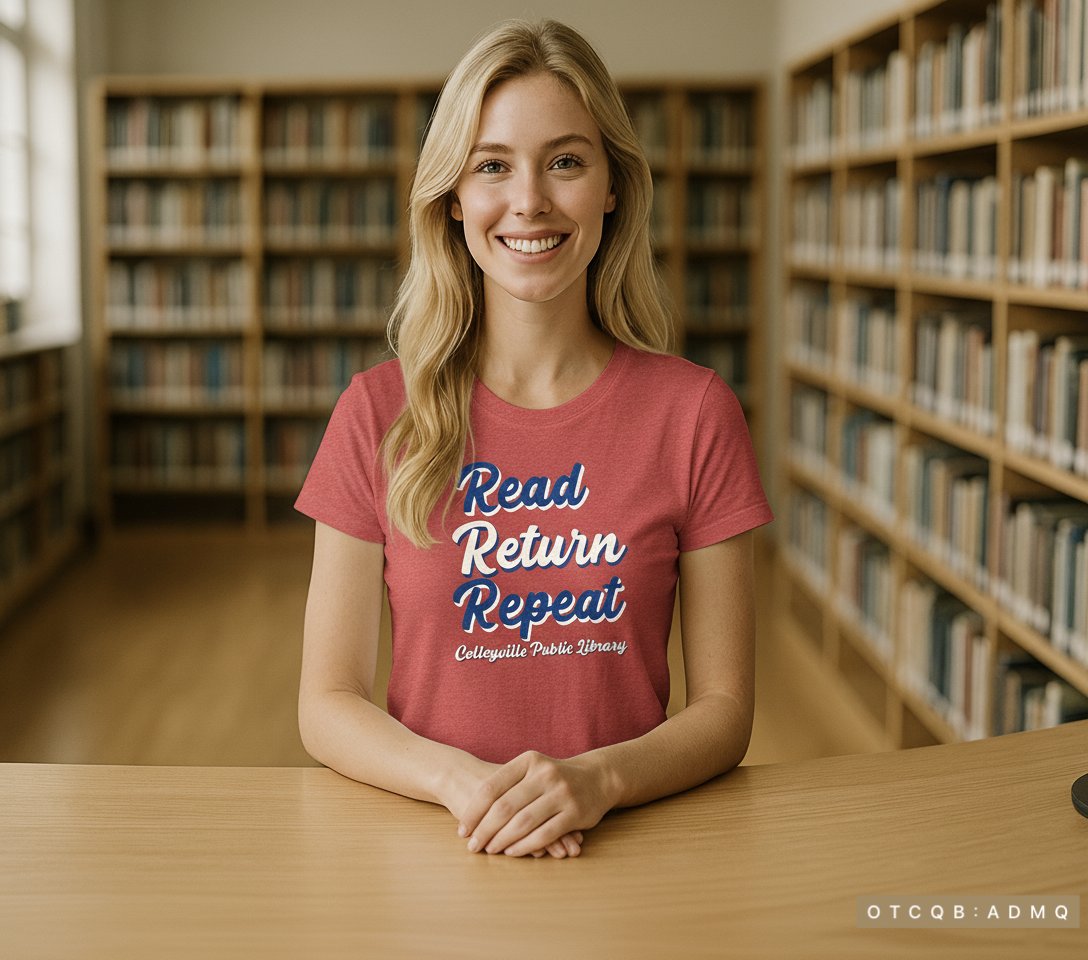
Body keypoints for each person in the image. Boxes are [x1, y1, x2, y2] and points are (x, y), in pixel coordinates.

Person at [294, 18, 773, 860]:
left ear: (612, 186)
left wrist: (599, 780)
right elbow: (327, 701)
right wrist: (460, 783)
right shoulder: (375, 415)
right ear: (452, 197)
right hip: (435, 846)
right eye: (492, 165)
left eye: (565, 161)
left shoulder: (695, 413)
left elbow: (726, 710)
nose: (530, 201)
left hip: (632, 848)